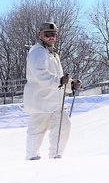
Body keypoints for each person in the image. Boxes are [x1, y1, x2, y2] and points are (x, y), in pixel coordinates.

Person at [24, 22, 80, 160]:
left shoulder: (52, 53)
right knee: (38, 128)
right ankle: (32, 156)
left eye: (53, 35)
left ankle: (56, 154)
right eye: (47, 35)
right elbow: (39, 73)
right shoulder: (38, 51)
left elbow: (59, 77)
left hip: (55, 99)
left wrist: (70, 85)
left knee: (63, 125)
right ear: (40, 35)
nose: (51, 38)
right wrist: (59, 81)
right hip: (41, 99)